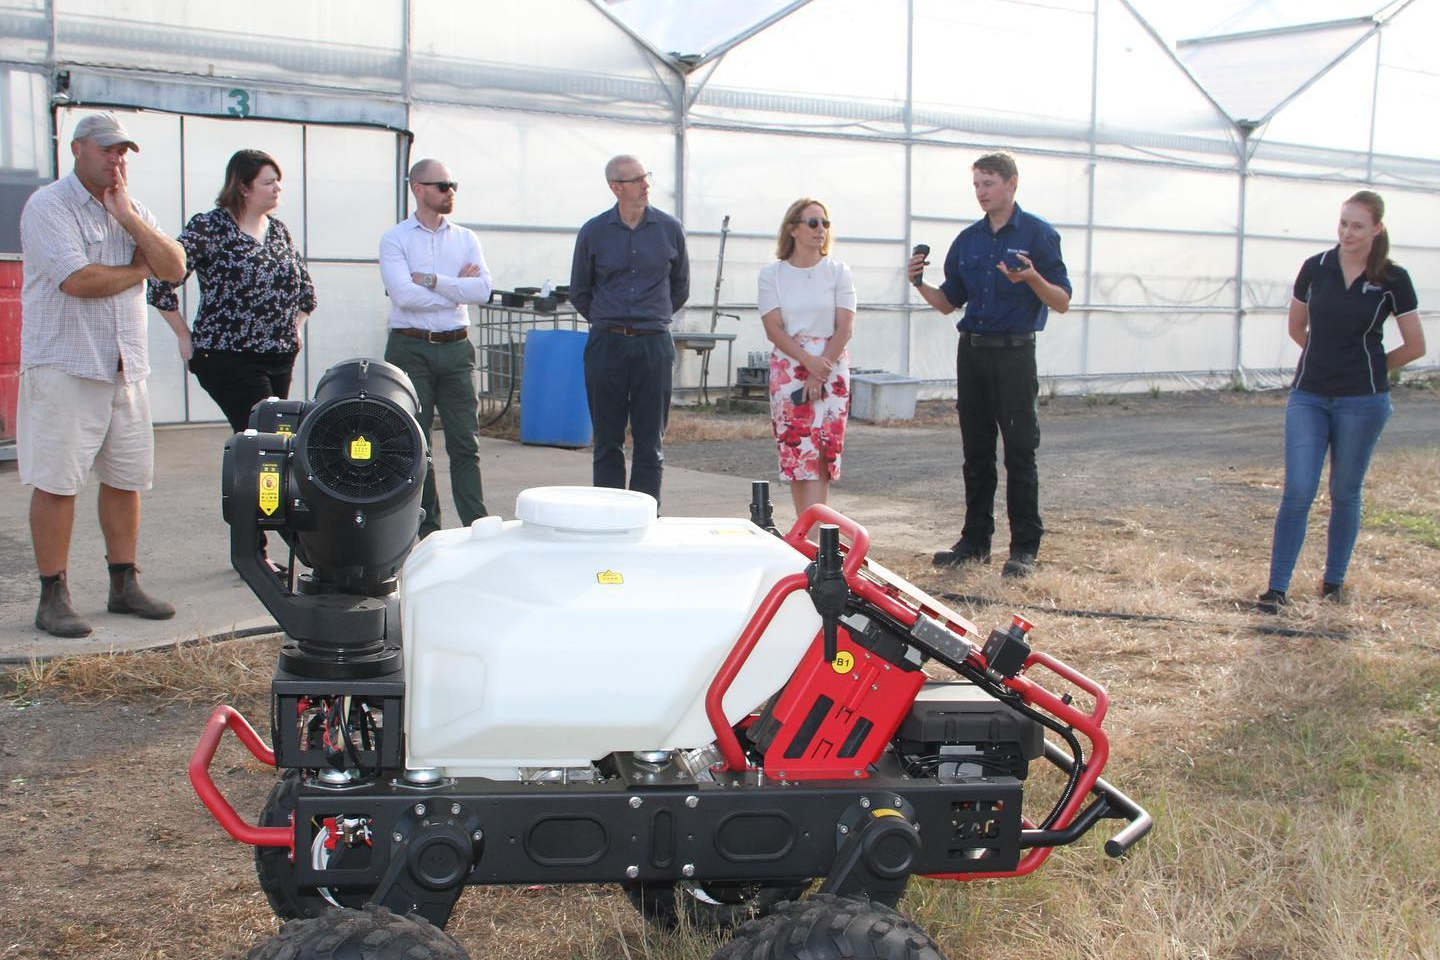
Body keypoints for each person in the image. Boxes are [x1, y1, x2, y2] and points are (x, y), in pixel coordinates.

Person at [17, 112, 186, 637]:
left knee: (125, 478)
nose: (117, 159)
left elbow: (176, 267)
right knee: (57, 481)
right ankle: (53, 595)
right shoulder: (49, 206)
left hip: (124, 365)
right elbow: (78, 280)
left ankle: (123, 584)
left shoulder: (129, 207)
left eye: (123, 152)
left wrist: (131, 220)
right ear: (78, 149)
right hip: (66, 363)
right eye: (107, 149)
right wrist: (139, 270)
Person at [1257, 190, 1426, 613]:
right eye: (1343, 223)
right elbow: (1298, 328)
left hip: (1363, 402)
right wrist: (1324, 358)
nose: (1347, 233)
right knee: (1298, 489)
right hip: (1309, 396)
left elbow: (1416, 346)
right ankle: (1277, 589)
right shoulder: (1316, 269)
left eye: (1357, 226)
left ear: (1377, 230)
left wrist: (1370, 369)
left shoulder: (1393, 279)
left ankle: (1334, 582)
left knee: (1345, 491)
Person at [908, 152, 1070, 578]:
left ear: (1012, 183)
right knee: (976, 452)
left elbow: (1063, 301)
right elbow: (948, 303)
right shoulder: (968, 241)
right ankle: (975, 542)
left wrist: (1032, 278)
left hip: (1015, 353)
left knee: (1019, 452)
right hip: (973, 351)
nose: (981, 192)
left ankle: (1024, 549)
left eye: (989, 184)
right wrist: (919, 283)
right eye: (976, 185)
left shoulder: (1039, 235)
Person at [149, 149, 316, 432]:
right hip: (228, 355)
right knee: (264, 434)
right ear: (242, 187)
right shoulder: (210, 227)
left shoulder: (278, 231)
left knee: (272, 440)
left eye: (278, 181)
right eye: (268, 182)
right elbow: (161, 280)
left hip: (279, 356)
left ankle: (250, 476)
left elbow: (306, 292)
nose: (278, 188)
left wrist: (294, 328)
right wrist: (183, 335)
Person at [378, 158, 492, 538]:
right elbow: (402, 295)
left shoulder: (465, 238)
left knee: (465, 441)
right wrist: (455, 289)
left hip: (457, 348)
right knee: (416, 440)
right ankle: (427, 529)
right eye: (442, 185)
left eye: (453, 185)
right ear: (418, 188)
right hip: (411, 348)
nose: (450, 192)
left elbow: (483, 290)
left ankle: (476, 524)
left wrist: (431, 280)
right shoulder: (396, 238)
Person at [569, 154, 690, 505]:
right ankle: (609, 515)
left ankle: (644, 516)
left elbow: (680, 286)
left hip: (653, 344)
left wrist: (651, 317)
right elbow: (580, 289)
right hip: (607, 344)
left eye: (646, 177)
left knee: (650, 441)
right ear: (616, 187)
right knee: (607, 439)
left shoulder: (669, 229)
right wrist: (611, 319)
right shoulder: (594, 231)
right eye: (637, 179)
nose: (646, 185)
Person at [758, 198, 856, 516]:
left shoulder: (838, 272)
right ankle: (806, 530)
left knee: (822, 452)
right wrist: (806, 362)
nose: (821, 230)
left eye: (825, 223)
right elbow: (773, 327)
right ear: (793, 229)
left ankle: (814, 534)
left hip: (831, 364)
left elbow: (845, 326)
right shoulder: (773, 274)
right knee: (797, 450)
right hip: (790, 363)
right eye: (813, 223)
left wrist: (820, 369)